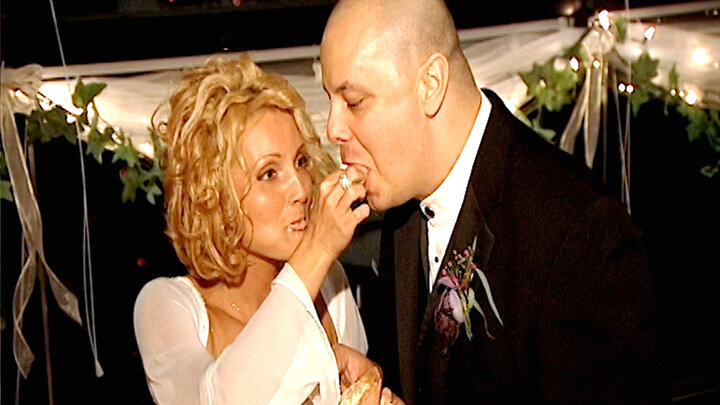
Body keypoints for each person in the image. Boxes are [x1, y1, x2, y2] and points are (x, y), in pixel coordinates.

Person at [320, 0, 660, 404]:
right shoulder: (402, 209)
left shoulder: (580, 233)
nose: (333, 128)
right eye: (329, 100)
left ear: (430, 84)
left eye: (354, 101)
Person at [133, 54, 372, 405]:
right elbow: (215, 399)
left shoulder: (330, 285)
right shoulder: (166, 305)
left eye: (300, 161)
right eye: (269, 173)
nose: (302, 189)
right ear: (216, 197)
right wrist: (317, 250)